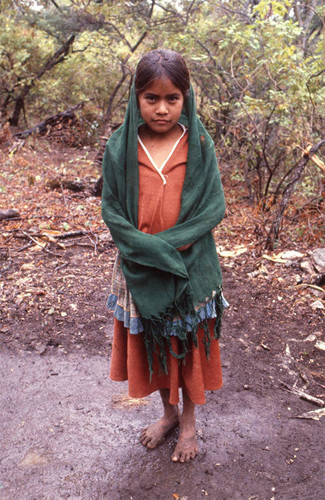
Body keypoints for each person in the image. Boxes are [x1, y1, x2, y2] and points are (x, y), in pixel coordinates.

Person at [101, 49, 226, 463]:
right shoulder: (121, 146)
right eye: (151, 98)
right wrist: (148, 251)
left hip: (191, 267)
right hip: (139, 268)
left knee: (187, 345)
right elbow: (113, 210)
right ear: (136, 98)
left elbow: (212, 207)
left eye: (172, 98)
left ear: (186, 97)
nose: (162, 108)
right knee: (153, 343)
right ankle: (168, 414)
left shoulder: (199, 143)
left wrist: (172, 247)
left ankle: (189, 424)